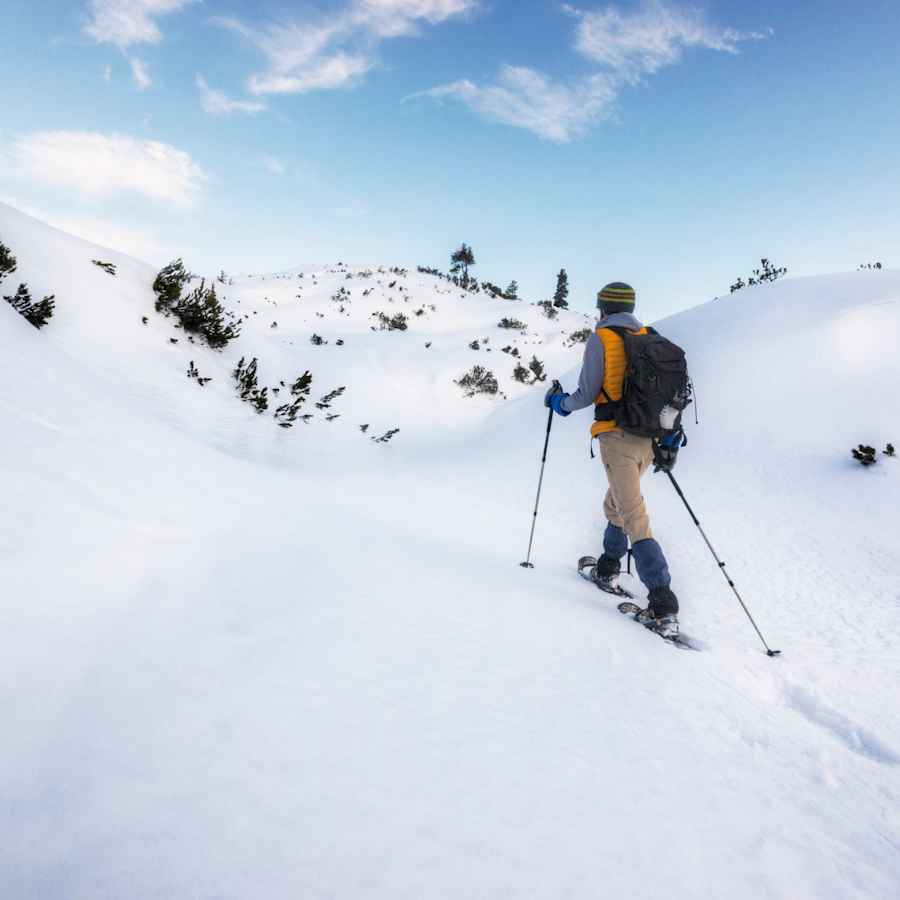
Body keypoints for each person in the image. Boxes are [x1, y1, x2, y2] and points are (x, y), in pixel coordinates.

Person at [545, 282, 680, 637]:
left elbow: (585, 394)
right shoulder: (650, 338)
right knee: (616, 503)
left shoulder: (601, 339)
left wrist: (558, 403)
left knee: (633, 515)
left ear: (603, 308)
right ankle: (607, 567)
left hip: (617, 438)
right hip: (649, 440)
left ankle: (663, 604)